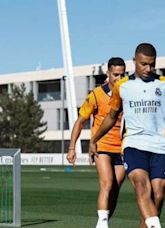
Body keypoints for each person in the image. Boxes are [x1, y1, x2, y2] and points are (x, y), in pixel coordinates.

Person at [89, 43, 165, 228]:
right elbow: (111, 116)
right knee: (140, 185)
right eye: (143, 64)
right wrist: (94, 139)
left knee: (158, 193)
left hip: (160, 146)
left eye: (151, 64)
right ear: (134, 62)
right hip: (133, 144)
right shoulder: (122, 86)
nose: (148, 69)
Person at [67, 57, 126, 228]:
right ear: (108, 73)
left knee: (115, 189)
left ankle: (103, 221)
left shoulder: (128, 93)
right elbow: (80, 121)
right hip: (102, 146)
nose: (119, 78)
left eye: (122, 74)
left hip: (123, 147)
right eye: (115, 74)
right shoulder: (96, 95)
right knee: (107, 183)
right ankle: (102, 224)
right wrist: (72, 148)